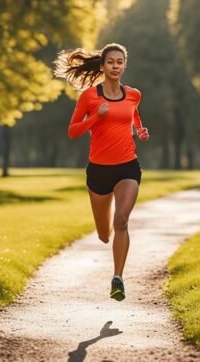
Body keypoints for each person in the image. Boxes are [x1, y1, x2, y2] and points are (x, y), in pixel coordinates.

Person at [53, 43, 149, 301]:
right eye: (111, 62)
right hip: (98, 171)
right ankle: (103, 233)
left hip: (128, 166)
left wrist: (139, 129)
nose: (115, 66)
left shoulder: (133, 94)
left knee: (122, 221)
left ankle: (117, 278)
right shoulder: (89, 97)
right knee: (104, 233)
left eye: (120, 62)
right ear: (103, 66)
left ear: (124, 65)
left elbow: (133, 114)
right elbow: (73, 131)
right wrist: (96, 116)